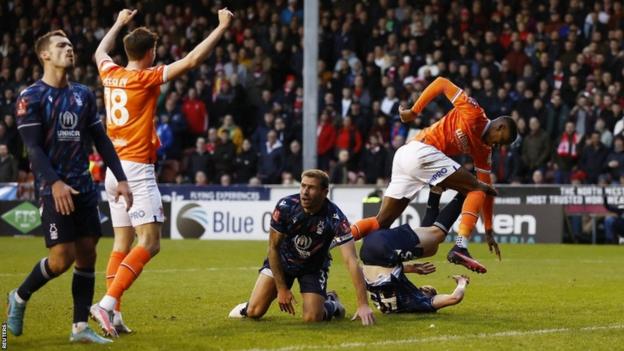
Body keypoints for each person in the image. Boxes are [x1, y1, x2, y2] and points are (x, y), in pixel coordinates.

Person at [89, 8, 233, 337]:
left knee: (122, 243)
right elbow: (193, 60)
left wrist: (118, 23)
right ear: (151, 53)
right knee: (150, 243)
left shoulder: (110, 72)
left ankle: (116, 314)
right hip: (136, 170)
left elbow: (99, 51)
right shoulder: (146, 78)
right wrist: (222, 26)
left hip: (112, 170)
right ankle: (107, 304)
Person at [6, 30, 132, 344]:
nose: (70, 49)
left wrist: (122, 177)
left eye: (71, 45)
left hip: (84, 187)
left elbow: (101, 139)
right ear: (44, 55)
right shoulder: (30, 97)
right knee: (61, 258)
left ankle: (79, 328)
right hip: (53, 189)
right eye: (61, 45)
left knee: (88, 253)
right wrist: (55, 183)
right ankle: (19, 296)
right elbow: (33, 149)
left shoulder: (83, 94)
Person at [351, 77, 516, 273]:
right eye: (501, 141)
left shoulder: (484, 150)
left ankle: (336, 239)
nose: (497, 146)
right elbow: (441, 83)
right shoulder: (475, 113)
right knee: (475, 186)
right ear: (500, 127)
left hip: (409, 157)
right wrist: (414, 111)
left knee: (382, 221)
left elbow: (486, 189)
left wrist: (489, 228)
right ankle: (461, 245)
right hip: (420, 151)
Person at [228, 169, 375, 326]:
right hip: (283, 261)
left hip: (313, 267)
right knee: (254, 312)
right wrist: (282, 289)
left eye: (311, 188)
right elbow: (273, 248)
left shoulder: (335, 218)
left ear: (324, 192)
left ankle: (331, 303)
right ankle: (249, 306)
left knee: (312, 318)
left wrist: (363, 304)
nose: (305, 192)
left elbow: (351, 260)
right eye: (303, 186)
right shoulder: (286, 206)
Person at [360, 188, 472, 313]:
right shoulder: (393, 303)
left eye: (431, 292)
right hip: (369, 250)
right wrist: (412, 268)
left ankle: (463, 193)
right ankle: (435, 192)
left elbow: (454, 298)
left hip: (383, 251)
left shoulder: (418, 303)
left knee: (437, 235)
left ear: (429, 297)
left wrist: (462, 282)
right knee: (430, 247)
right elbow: (383, 275)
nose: (429, 289)